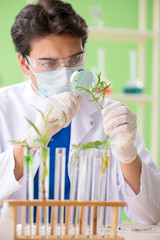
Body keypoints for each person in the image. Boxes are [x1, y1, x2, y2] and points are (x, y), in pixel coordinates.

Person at [0, 0, 160, 224]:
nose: (65, 73)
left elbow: (151, 214)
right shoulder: (2, 107)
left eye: (75, 59)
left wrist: (128, 155)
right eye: (48, 63)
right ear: (24, 63)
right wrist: (33, 139)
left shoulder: (108, 112)